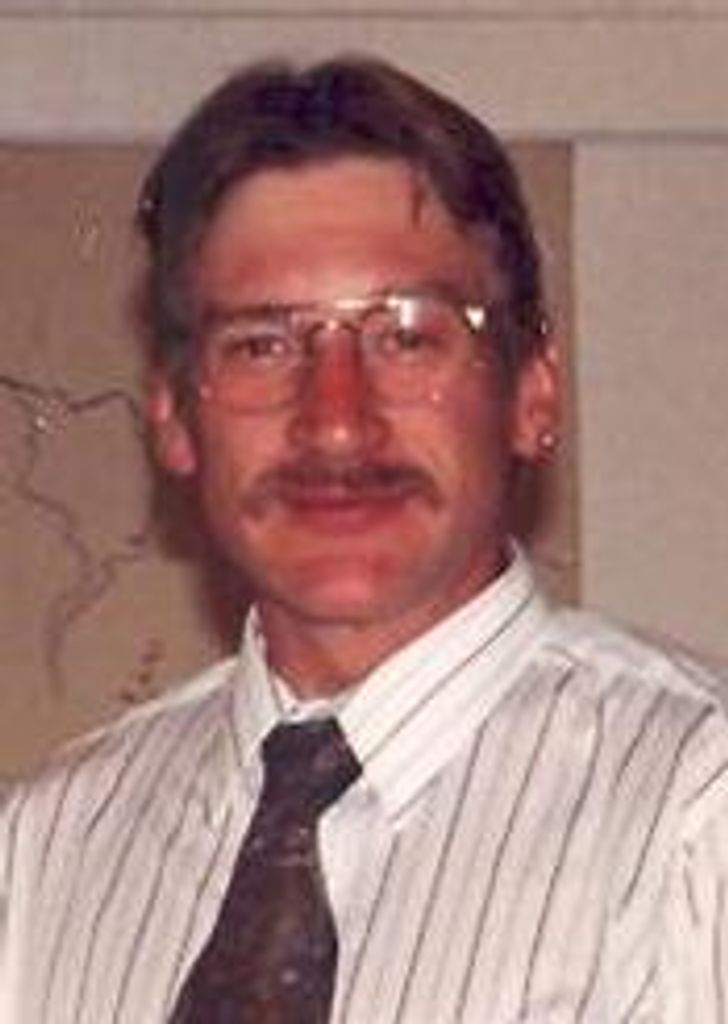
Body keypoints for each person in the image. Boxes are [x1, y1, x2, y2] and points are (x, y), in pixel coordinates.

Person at [1, 55, 728, 1024]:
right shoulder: (44, 852)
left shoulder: (696, 814)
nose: (336, 422)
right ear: (172, 416)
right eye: (262, 343)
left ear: (531, 391)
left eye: (407, 336)